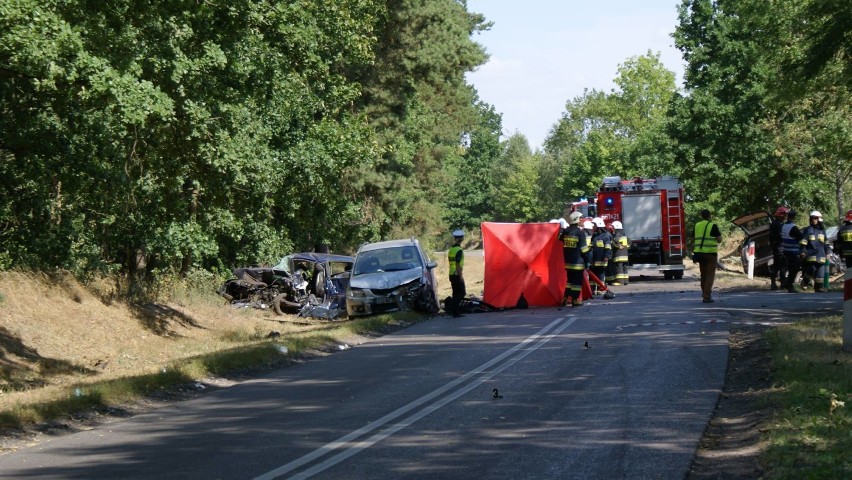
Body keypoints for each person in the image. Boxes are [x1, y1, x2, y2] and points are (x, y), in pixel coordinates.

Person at [560, 212, 588, 306]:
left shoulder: (566, 232)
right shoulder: (580, 233)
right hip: (578, 263)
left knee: (570, 281)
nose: (582, 220)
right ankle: (575, 300)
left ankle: (565, 297)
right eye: (581, 218)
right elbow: (584, 250)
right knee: (576, 282)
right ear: (576, 219)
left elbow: (559, 239)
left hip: (568, 262)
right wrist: (587, 260)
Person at [693, 209, 722, 303]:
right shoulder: (713, 225)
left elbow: (693, 236)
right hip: (710, 254)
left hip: (700, 253)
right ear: (710, 216)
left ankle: (704, 292)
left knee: (703, 274)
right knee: (710, 275)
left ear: (701, 216)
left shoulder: (697, 225)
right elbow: (719, 239)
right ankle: (707, 296)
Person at [799, 211, 828, 292]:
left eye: (816, 218)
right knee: (811, 271)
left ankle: (818, 288)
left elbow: (826, 243)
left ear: (819, 220)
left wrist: (828, 252)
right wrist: (803, 251)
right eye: (813, 218)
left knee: (820, 274)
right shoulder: (808, 230)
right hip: (811, 255)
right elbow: (803, 242)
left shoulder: (822, 231)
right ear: (811, 219)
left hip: (821, 256)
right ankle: (804, 282)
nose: (815, 220)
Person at [780, 209, 804, 293]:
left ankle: (787, 283)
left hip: (785, 250)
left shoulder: (783, 226)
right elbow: (801, 236)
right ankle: (789, 285)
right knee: (795, 268)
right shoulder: (793, 227)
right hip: (792, 251)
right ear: (794, 217)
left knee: (789, 268)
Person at [590, 217, 612, 294]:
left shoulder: (605, 236)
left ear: (598, 225)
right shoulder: (594, 235)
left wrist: (606, 256)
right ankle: (592, 290)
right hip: (594, 260)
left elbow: (608, 247)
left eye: (594, 225)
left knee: (600, 275)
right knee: (593, 276)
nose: (593, 227)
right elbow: (591, 247)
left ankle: (601, 289)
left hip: (602, 259)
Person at [768, 206, 789, 290]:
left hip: (777, 247)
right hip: (780, 247)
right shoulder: (778, 224)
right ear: (781, 215)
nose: (785, 217)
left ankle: (774, 283)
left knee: (777, 266)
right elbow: (780, 235)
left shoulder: (774, 223)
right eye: (785, 215)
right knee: (783, 266)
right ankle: (783, 284)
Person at [448, 229, 466, 316]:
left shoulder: (451, 249)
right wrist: (460, 276)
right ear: (462, 239)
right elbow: (458, 264)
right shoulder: (459, 250)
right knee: (462, 293)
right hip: (456, 274)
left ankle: (454, 311)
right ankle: (453, 309)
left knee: (455, 292)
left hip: (451, 274)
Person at [610, 220, 630, 285]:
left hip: (619, 255)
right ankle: (625, 281)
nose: (612, 229)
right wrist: (627, 246)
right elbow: (629, 241)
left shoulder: (617, 235)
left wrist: (617, 246)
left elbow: (615, 241)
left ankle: (619, 281)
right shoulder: (624, 235)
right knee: (625, 268)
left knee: (619, 268)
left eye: (613, 227)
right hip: (625, 255)